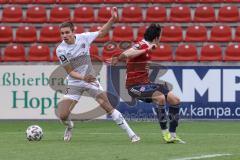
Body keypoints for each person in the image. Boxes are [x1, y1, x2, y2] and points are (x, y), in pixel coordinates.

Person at [56, 7, 140, 143]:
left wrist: (112, 20)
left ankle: (132, 135)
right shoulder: (61, 50)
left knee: (108, 107)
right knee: (63, 115)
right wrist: (83, 78)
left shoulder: (84, 38)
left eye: (67, 32)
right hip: (74, 82)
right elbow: (70, 71)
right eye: (62, 33)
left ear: (73, 31)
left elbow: (102, 32)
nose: (64, 35)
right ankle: (70, 126)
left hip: (90, 80)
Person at [111, 24, 185, 144]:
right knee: (160, 98)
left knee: (175, 100)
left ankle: (172, 134)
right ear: (156, 37)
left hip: (146, 83)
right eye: (160, 36)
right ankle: (165, 134)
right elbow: (125, 55)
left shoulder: (148, 46)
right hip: (133, 86)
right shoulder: (142, 45)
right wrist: (147, 49)